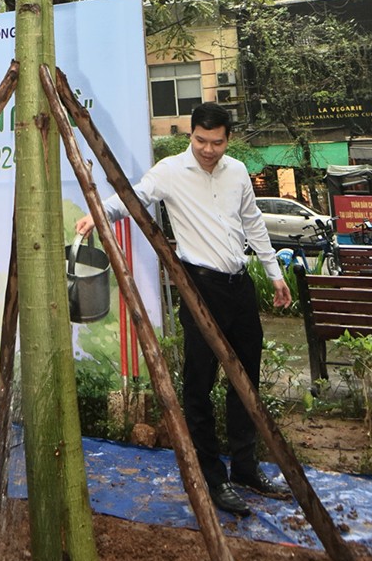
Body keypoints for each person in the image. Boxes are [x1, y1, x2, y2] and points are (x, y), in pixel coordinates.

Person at [76, 101, 291, 518]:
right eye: (200, 140)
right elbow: (132, 197)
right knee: (199, 386)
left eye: (217, 142)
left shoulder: (238, 173)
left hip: (239, 285)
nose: (208, 150)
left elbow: (253, 221)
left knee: (246, 380)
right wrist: (96, 213)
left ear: (228, 139)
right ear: (189, 134)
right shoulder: (170, 171)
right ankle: (214, 479)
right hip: (200, 288)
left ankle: (245, 467)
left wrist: (274, 272)